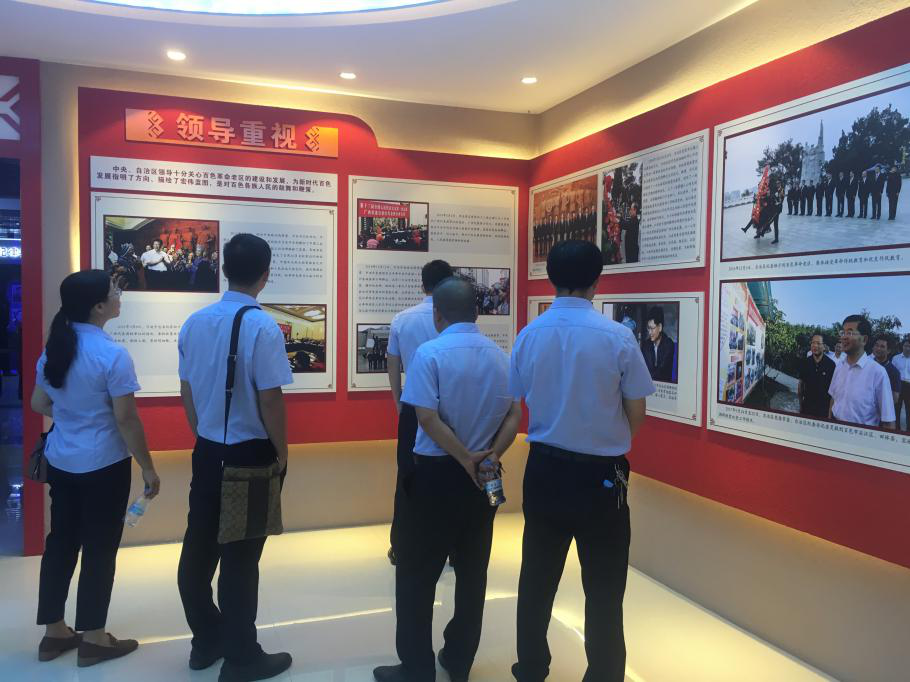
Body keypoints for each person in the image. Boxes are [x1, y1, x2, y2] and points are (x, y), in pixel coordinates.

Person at [510, 240, 654, 682]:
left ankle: (531, 668)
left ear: (551, 278)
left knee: (536, 579)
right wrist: (608, 438)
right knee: (605, 589)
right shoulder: (618, 337)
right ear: (597, 281)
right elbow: (636, 411)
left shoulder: (529, 335)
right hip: (602, 477)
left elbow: (516, 400)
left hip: (545, 469)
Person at [374, 277, 522, 682]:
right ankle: (459, 659)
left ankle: (416, 666)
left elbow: (425, 417)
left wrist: (464, 458)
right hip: (484, 476)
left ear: (437, 314)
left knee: (416, 573)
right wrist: (490, 455)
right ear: (477, 312)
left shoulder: (429, 354)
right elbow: (514, 415)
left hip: (436, 475)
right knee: (473, 573)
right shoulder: (501, 357)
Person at [176, 234, 293, 682]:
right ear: (265, 274)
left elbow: (187, 390)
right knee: (241, 560)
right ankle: (242, 658)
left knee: (198, 550)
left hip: (208, 450)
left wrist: (204, 435)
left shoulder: (194, 322)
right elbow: (270, 399)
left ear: (224, 269)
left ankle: (206, 639)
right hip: (250, 453)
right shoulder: (262, 326)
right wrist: (282, 451)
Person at [31, 270, 160, 667]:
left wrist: (73, 416)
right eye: (114, 291)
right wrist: (148, 468)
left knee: (61, 542)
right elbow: (126, 419)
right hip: (104, 463)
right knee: (100, 548)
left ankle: (54, 633)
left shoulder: (55, 349)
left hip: (62, 460)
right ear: (99, 307)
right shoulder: (112, 355)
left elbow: (39, 403)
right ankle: (94, 638)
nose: (120, 294)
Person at [386, 260, 453, 566]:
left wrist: (398, 401)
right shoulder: (453, 318)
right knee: (450, 473)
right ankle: (450, 547)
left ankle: (402, 546)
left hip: (413, 405)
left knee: (408, 475)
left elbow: (393, 363)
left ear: (422, 284)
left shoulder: (403, 319)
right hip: (448, 407)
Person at [828, 316, 896, 429]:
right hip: (834, 428)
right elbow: (833, 398)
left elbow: (888, 421)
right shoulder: (839, 366)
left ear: (864, 339)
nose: (844, 337)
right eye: (843, 332)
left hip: (860, 434)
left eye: (850, 333)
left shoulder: (878, 373)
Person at [797, 333, 836, 419]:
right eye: (813, 343)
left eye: (818, 343)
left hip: (824, 411)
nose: (815, 346)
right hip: (807, 408)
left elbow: (833, 393)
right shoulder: (805, 363)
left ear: (824, 346)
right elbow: (800, 387)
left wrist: (829, 414)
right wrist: (800, 406)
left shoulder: (831, 365)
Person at [641, 306, 675, 382]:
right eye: (648, 328)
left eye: (652, 328)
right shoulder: (646, 345)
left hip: (664, 386)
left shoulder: (669, 345)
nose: (649, 332)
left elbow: (662, 371)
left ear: (660, 327)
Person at [871, 335, 901, 410]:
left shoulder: (894, 372)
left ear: (888, 351)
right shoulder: (866, 365)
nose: (878, 348)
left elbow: (895, 398)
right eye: (876, 345)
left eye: (882, 346)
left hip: (881, 411)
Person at [891, 336, 910, 432]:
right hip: (898, 384)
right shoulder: (896, 358)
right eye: (906, 346)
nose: (907, 348)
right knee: (896, 408)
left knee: (909, 409)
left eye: (909, 346)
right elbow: (892, 374)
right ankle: (896, 429)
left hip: (909, 385)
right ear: (902, 346)